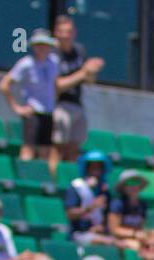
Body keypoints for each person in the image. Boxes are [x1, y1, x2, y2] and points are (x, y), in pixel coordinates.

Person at [0, 29, 60, 177]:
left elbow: (55, 85)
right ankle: (24, 177)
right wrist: (17, 107)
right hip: (32, 111)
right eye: (38, 45)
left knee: (45, 151)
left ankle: (41, 180)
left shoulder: (54, 62)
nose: (42, 48)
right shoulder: (25, 63)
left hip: (48, 112)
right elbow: (4, 85)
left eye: (45, 45)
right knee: (28, 149)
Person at [52, 15, 104, 163]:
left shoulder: (79, 51)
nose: (65, 35)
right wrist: (83, 73)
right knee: (58, 147)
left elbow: (89, 82)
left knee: (74, 149)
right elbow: (57, 86)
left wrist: (92, 71)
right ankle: (52, 182)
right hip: (59, 105)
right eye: (61, 31)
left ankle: (70, 180)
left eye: (68, 31)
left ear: (73, 32)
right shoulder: (52, 54)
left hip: (77, 104)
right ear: (56, 33)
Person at [108, 169, 151, 250]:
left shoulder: (142, 205)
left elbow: (141, 227)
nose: (134, 186)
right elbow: (114, 230)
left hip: (135, 239)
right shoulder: (117, 204)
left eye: (136, 182)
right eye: (130, 182)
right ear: (124, 186)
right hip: (117, 241)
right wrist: (134, 234)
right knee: (137, 246)